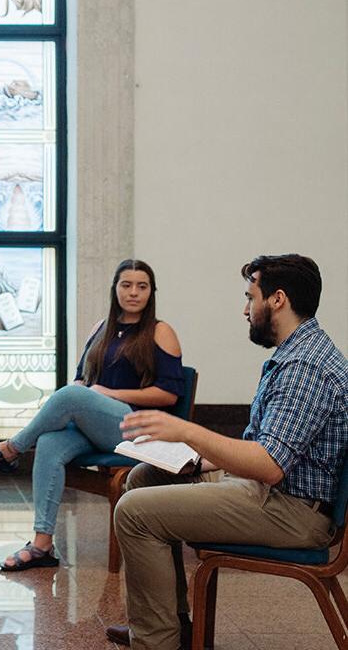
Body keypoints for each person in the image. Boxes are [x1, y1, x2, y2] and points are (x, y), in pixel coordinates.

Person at [107, 254, 347, 650]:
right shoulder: (297, 354)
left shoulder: (307, 366)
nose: (245, 309)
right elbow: (265, 444)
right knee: (143, 478)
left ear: (277, 300)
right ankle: (173, 627)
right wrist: (194, 459)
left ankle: (156, 643)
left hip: (291, 511)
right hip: (276, 493)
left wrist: (185, 430)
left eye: (250, 296)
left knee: (134, 512)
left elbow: (269, 466)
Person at [0, 259, 185, 571]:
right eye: (126, 285)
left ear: (151, 292)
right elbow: (82, 380)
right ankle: (42, 544)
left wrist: (109, 394)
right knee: (49, 440)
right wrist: (83, 390)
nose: (133, 293)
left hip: (137, 429)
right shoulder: (101, 329)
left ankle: (11, 449)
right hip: (99, 427)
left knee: (73, 395)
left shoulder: (160, 331)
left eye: (141, 287)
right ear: (115, 289)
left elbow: (169, 394)